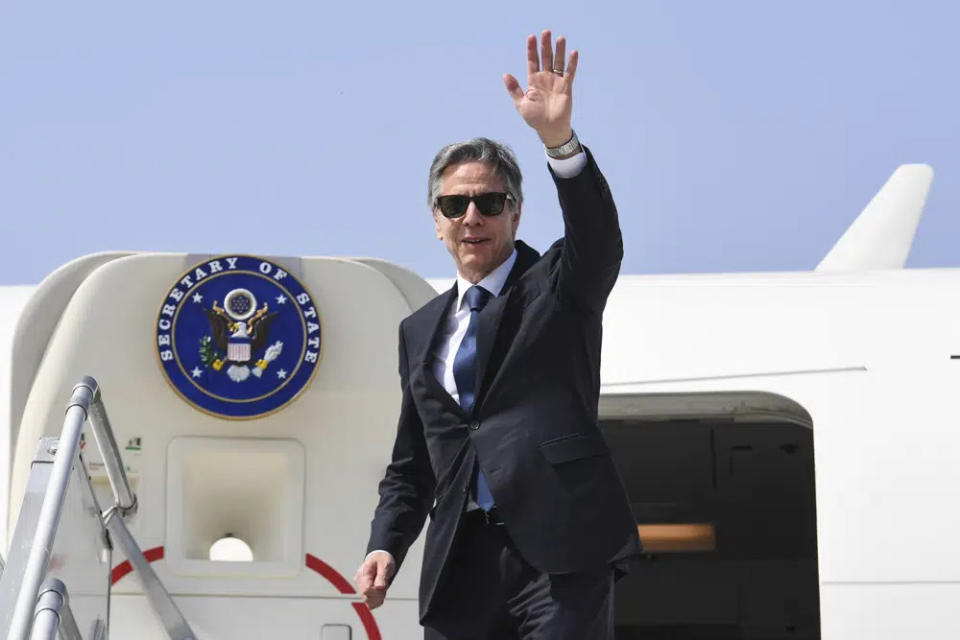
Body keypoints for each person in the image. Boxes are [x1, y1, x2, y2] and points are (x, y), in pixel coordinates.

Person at [355, 30, 640, 639]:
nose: (472, 217)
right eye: (455, 206)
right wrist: (386, 543)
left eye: (489, 201)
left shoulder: (558, 288)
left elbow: (599, 240)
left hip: (559, 558)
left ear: (516, 210)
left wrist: (558, 141)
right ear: (436, 222)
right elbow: (412, 462)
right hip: (461, 565)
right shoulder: (419, 330)